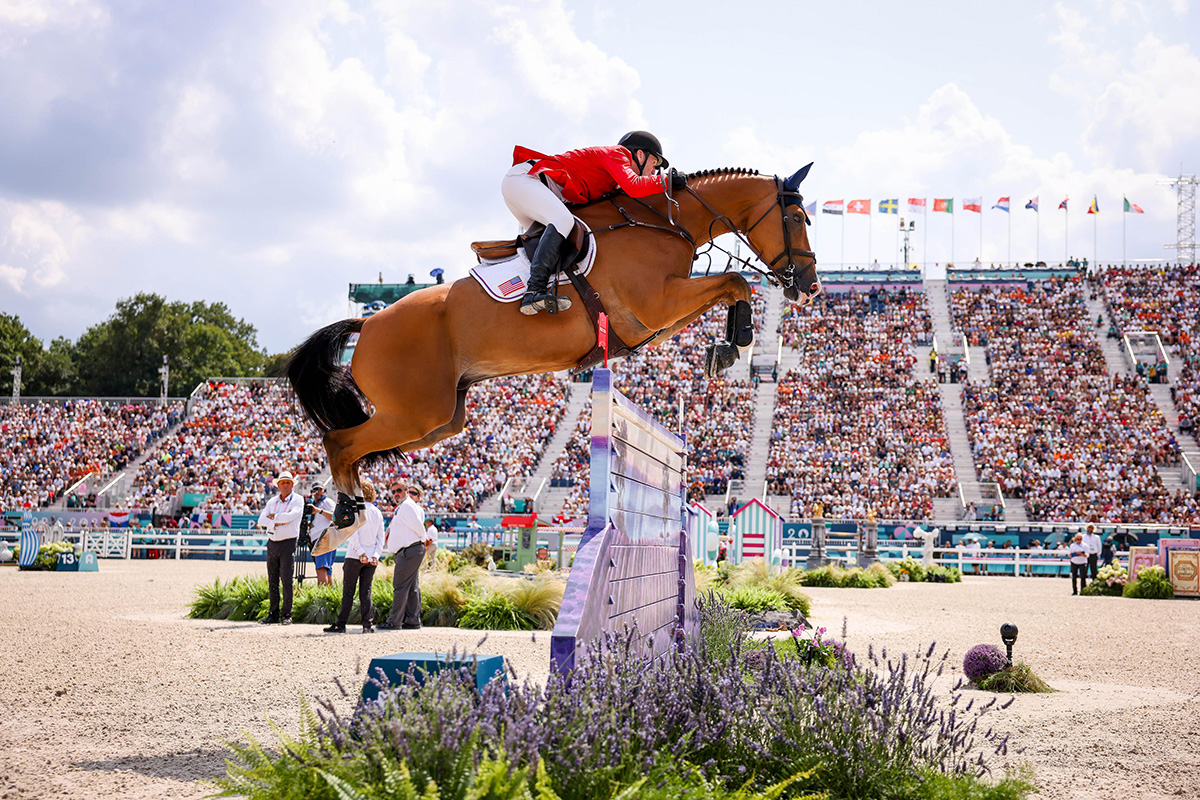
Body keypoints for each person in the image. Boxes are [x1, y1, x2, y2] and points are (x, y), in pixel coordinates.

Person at [502, 131, 686, 315]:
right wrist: (666, 180)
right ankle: (534, 292)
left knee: (553, 247)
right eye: (654, 164)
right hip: (526, 180)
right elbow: (635, 186)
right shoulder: (617, 154)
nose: (654, 172)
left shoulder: (614, 179)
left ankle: (518, 294)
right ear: (639, 155)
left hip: (528, 188)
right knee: (564, 221)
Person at [323, 480, 386, 634]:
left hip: (354, 556)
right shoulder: (377, 512)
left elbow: (353, 534)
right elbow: (381, 537)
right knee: (366, 592)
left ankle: (341, 624)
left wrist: (360, 552)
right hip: (371, 557)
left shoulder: (356, 509)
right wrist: (375, 555)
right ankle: (367, 625)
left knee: (348, 592)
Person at [380, 484, 432, 630]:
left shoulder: (407, 506)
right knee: (411, 587)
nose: (396, 493)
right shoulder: (406, 507)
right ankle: (413, 619)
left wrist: (424, 538)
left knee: (400, 585)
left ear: (407, 492)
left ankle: (394, 621)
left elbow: (418, 526)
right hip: (410, 550)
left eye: (399, 490)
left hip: (409, 550)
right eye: (394, 491)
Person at [257, 470, 305, 624]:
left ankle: (287, 614)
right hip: (273, 541)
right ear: (278, 485)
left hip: (288, 542)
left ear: (292, 485)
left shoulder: (298, 500)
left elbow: (291, 517)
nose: (285, 485)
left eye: (288, 482)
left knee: (286, 579)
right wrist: (279, 519)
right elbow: (261, 520)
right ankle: (274, 613)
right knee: (272, 580)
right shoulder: (273, 501)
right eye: (283, 482)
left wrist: (273, 518)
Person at [307, 484, 336, 585]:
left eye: (320, 489)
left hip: (323, 538)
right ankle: (330, 596)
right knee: (326, 570)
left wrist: (319, 511)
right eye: (316, 489)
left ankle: (322, 597)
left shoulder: (327, 502)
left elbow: (334, 517)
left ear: (324, 490)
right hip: (320, 537)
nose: (318, 492)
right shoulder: (316, 503)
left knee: (321, 569)